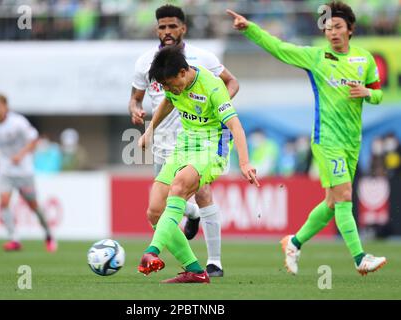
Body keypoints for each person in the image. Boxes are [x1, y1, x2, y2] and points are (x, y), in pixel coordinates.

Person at [227, 1, 387, 276]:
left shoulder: (365, 59)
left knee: (332, 203)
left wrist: (367, 93)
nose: (332, 32)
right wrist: (250, 29)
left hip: (352, 141)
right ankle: (360, 258)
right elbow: (279, 48)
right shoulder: (316, 57)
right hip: (327, 139)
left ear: (351, 29)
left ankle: (294, 242)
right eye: (328, 28)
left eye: (338, 27)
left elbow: (378, 93)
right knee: (346, 196)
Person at [129, 4, 240, 277]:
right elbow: (136, 98)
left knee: (201, 192)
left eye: (172, 26)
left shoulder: (202, 58)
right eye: (162, 27)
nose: (167, 32)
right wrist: (136, 111)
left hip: (198, 139)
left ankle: (214, 262)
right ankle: (190, 222)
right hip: (164, 141)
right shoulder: (146, 62)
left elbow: (232, 83)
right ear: (157, 29)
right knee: (158, 207)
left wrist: (215, 111)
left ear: (183, 28)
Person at [136, 45, 259, 284]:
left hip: (213, 146)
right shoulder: (172, 84)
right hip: (186, 145)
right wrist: (150, 130)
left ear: (183, 72)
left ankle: (151, 252)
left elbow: (235, 126)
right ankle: (195, 270)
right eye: (164, 87)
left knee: (180, 186)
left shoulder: (212, 86)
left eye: (170, 84)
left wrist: (244, 163)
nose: (169, 90)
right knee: (154, 212)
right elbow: (168, 102)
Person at [0, 94, 57, 252]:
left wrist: (21, 154)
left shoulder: (18, 122)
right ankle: (14, 238)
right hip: (5, 170)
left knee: (33, 205)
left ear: (6, 107)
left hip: (24, 171)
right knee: (4, 202)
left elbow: (34, 140)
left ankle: (48, 234)